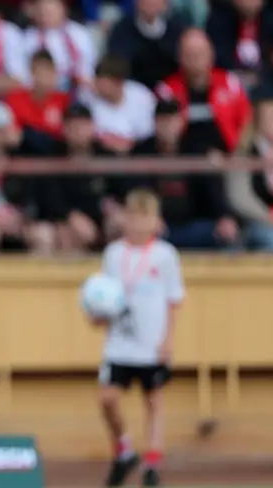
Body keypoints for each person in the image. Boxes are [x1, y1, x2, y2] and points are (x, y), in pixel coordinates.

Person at [92, 189, 184, 488]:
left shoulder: (165, 255)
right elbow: (106, 296)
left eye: (144, 217)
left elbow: (173, 300)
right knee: (107, 399)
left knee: (153, 400)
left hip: (151, 342)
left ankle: (152, 463)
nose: (138, 223)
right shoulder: (114, 254)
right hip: (119, 342)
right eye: (132, 216)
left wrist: (168, 340)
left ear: (156, 221)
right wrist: (98, 316)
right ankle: (124, 449)